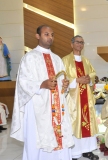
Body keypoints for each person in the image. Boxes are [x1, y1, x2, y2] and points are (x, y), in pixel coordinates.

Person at [10, 25, 74, 160]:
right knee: (38, 139)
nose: (50, 37)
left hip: (57, 107)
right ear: (37, 36)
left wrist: (65, 86)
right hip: (37, 107)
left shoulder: (57, 59)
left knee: (59, 138)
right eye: (46, 34)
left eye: (52, 34)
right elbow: (23, 82)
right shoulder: (30, 57)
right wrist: (41, 85)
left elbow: (62, 85)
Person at [62, 35, 99, 160]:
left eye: (82, 42)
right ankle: (74, 153)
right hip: (74, 99)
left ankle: (87, 151)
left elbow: (93, 73)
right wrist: (77, 80)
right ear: (71, 44)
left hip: (86, 99)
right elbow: (62, 78)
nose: (79, 44)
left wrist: (89, 78)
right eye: (77, 42)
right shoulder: (65, 60)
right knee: (74, 124)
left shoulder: (86, 60)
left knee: (87, 123)